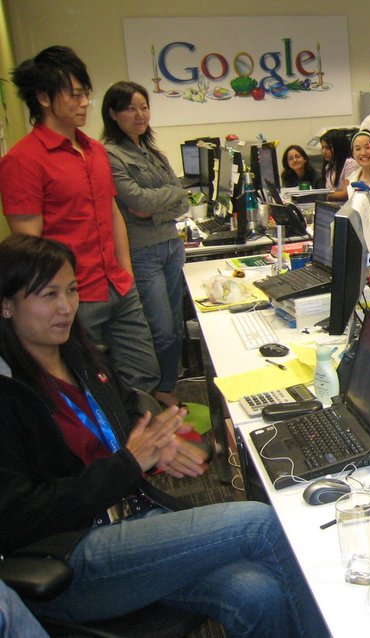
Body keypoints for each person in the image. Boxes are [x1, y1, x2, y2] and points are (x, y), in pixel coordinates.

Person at [0, 234, 327, 637]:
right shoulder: (8, 391)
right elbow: (16, 516)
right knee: (258, 522)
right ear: (7, 305)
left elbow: (125, 407)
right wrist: (128, 464)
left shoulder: (76, 354)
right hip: (72, 557)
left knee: (259, 594)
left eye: (70, 291)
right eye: (48, 295)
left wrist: (158, 441)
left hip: (132, 522)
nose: (66, 307)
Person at [0, 45, 160, 400]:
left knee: (143, 374)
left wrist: (126, 271)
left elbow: (111, 211)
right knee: (89, 389)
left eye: (86, 94)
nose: (85, 102)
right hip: (73, 299)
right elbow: (31, 248)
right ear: (43, 97)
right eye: (74, 95)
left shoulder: (95, 150)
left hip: (117, 285)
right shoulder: (23, 161)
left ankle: (149, 446)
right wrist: (61, 299)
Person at [102, 81, 188, 407]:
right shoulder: (110, 155)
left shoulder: (152, 153)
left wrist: (156, 208)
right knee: (162, 329)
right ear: (113, 113)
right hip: (143, 252)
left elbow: (181, 200)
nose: (139, 115)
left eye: (144, 107)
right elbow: (135, 201)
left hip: (170, 245)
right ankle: (156, 393)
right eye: (130, 108)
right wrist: (165, 200)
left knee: (176, 327)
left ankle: (166, 388)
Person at [318, 129, 354, 202]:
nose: (324, 151)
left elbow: (345, 194)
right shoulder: (328, 166)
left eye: (327, 148)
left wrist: (321, 195)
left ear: (338, 148)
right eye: (323, 147)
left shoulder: (350, 164)